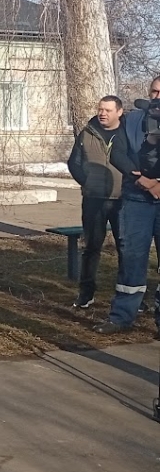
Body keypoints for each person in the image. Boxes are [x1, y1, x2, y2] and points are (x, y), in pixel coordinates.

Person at [97, 77, 160, 336]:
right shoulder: (133, 119)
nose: (157, 97)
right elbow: (117, 152)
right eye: (154, 91)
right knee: (132, 257)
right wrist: (144, 181)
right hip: (136, 198)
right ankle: (121, 317)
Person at [67, 95, 125, 309]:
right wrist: (87, 181)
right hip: (93, 200)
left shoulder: (128, 133)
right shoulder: (87, 133)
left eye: (108, 110)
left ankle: (128, 296)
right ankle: (86, 294)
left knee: (125, 249)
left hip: (122, 200)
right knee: (91, 248)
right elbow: (74, 162)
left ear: (119, 112)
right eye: (100, 109)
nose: (103, 113)